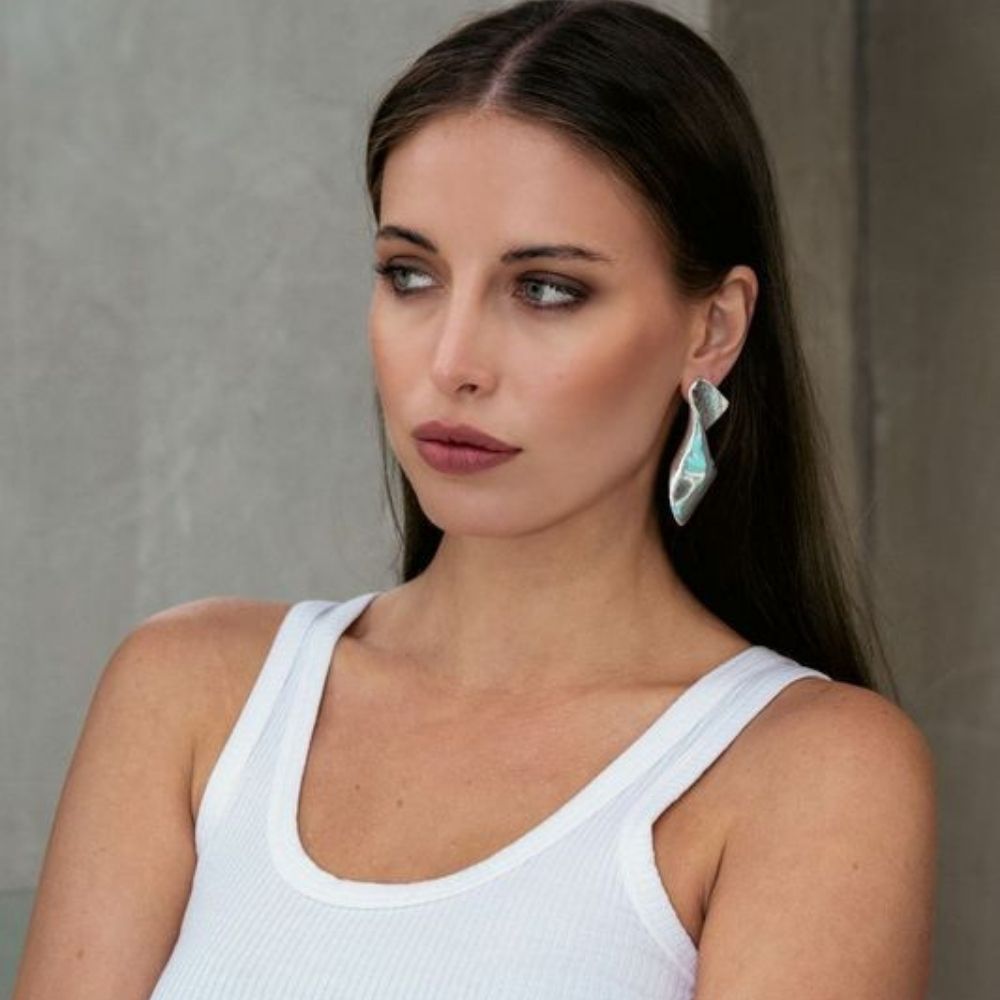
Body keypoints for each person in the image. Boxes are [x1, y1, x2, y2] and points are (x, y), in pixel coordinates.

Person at [13, 1, 937, 997]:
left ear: (711, 329)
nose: (451, 362)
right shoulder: (190, 694)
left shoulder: (805, 770)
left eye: (546, 289)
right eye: (410, 275)